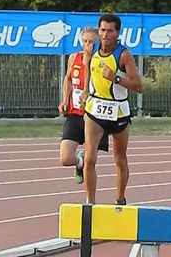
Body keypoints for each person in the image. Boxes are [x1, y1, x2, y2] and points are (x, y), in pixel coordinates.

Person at [79, 13, 143, 204]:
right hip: (95, 109)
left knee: (120, 159)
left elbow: (138, 86)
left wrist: (115, 78)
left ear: (117, 33)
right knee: (89, 158)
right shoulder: (91, 49)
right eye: (103, 30)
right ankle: (90, 202)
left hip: (119, 113)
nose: (106, 34)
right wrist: (85, 91)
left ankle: (120, 200)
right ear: (98, 31)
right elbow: (87, 70)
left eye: (110, 31)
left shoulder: (123, 55)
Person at [58, 26, 109, 183]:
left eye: (92, 42)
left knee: (90, 162)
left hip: (94, 116)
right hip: (75, 114)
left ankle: (90, 198)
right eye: (85, 41)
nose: (87, 45)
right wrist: (65, 99)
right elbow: (68, 79)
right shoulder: (74, 58)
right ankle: (78, 162)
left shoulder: (101, 62)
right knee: (65, 158)